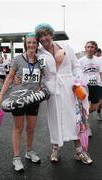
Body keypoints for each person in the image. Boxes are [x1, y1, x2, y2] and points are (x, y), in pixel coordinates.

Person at [35, 23, 92, 164]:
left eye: (45, 34)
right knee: (54, 119)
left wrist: (78, 81)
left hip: (70, 88)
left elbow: (76, 66)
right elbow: (37, 71)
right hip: (52, 90)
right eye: (40, 36)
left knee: (74, 118)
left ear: (51, 34)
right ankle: (55, 148)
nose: (43, 38)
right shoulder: (39, 53)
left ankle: (79, 151)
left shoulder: (66, 47)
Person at [0, 33, 41, 172]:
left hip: (33, 98)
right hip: (18, 99)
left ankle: (29, 151)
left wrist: (41, 86)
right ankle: (16, 157)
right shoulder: (17, 59)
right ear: (25, 44)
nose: (31, 45)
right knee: (18, 128)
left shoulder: (40, 61)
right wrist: (1, 95)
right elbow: (9, 78)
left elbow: (43, 76)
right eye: (29, 43)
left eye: (34, 43)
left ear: (37, 45)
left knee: (31, 128)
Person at [79, 42, 102, 118]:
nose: (90, 49)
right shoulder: (80, 61)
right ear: (85, 48)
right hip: (86, 86)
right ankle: (81, 119)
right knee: (87, 105)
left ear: (95, 49)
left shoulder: (99, 60)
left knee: (94, 108)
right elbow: (78, 74)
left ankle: (82, 114)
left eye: (92, 47)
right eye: (88, 47)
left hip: (96, 85)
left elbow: (101, 73)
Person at [95, 48, 102, 120]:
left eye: (99, 52)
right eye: (96, 53)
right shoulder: (94, 61)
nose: (98, 54)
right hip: (99, 84)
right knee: (100, 102)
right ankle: (98, 113)